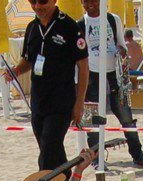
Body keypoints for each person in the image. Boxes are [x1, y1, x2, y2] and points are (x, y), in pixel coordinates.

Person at [12, 0, 89, 171]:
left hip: (61, 102)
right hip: (38, 102)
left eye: (43, 2)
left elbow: (83, 66)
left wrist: (79, 103)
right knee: (52, 152)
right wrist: (16, 70)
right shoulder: (31, 27)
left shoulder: (70, 26)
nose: (38, 6)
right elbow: (28, 61)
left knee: (47, 154)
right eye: (33, 2)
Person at [81, 0, 143, 168]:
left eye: (93, 1)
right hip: (92, 75)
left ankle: (138, 155)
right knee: (92, 121)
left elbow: (122, 44)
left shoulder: (113, 20)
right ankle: (96, 159)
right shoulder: (81, 24)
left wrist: (122, 51)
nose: (90, 4)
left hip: (114, 74)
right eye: (85, 1)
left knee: (126, 118)